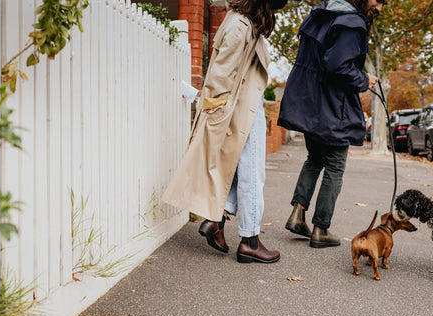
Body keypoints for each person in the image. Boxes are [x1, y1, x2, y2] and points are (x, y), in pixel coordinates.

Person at [162, 0, 288, 263]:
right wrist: (218, 115)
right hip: (240, 110)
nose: (276, 13)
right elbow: (220, 75)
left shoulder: (243, 22)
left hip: (244, 107)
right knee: (253, 175)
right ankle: (250, 241)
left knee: (239, 170)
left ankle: (216, 219)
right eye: (276, 7)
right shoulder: (240, 26)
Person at [278, 0, 388, 248]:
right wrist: (364, 78)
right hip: (331, 107)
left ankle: (298, 214)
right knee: (335, 166)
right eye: (378, 0)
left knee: (315, 158)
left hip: (310, 104)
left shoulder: (322, 13)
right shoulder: (352, 22)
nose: (380, 8)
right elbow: (338, 66)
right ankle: (321, 228)